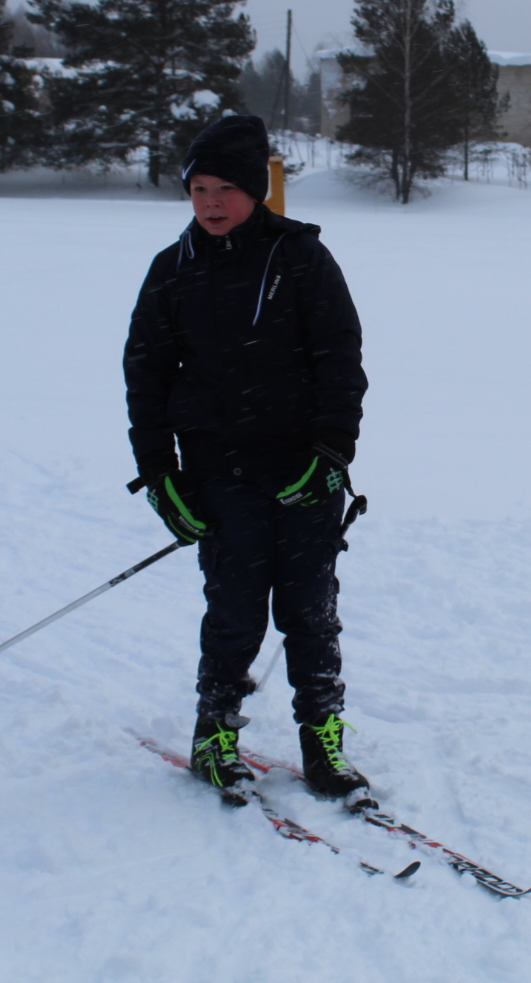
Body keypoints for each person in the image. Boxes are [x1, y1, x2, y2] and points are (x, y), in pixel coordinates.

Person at [124, 114, 371, 802]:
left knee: (310, 612)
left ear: (255, 190)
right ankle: (215, 734)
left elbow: (340, 363)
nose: (209, 202)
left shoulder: (301, 260)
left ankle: (323, 739)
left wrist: (330, 454)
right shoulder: (172, 271)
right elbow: (145, 375)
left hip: (301, 473)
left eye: (225, 188)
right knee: (234, 610)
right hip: (217, 473)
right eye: (198, 189)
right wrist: (159, 474)